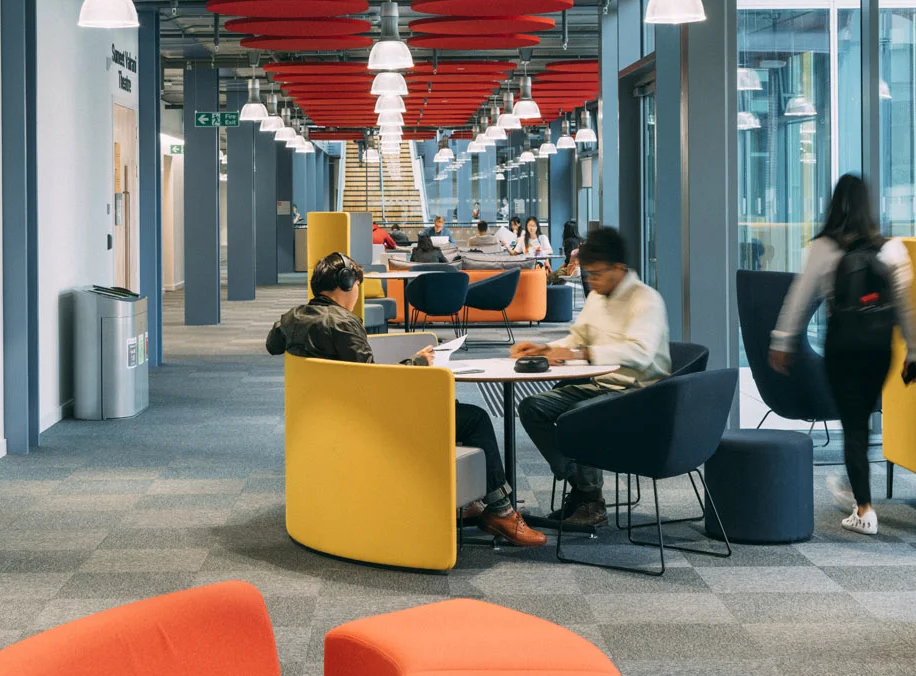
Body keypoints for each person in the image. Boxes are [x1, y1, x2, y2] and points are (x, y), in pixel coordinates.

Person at [266, 253, 544, 547]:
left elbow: (274, 345)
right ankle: (501, 511)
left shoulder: (293, 317)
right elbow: (373, 385)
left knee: (454, 410)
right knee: (474, 418)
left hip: (331, 415)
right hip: (372, 419)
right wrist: (418, 362)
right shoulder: (345, 324)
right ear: (347, 284)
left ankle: (467, 496)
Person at [769, 174, 916, 536]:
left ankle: (865, 509)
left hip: (842, 347)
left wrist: (782, 340)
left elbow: (799, 296)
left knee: (852, 425)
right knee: (861, 421)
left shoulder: (824, 248)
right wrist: (913, 351)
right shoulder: (891, 249)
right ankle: (857, 488)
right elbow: (905, 306)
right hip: (879, 348)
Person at [512, 228, 671, 527]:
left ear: (619, 269)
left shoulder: (645, 300)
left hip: (639, 394)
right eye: (588, 274)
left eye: (597, 274)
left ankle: (590, 500)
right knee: (532, 407)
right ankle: (582, 486)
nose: (591, 282)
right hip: (599, 385)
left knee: (578, 418)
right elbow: (577, 338)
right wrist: (545, 348)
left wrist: (582, 354)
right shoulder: (598, 298)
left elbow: (639, 354)